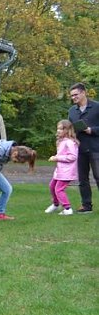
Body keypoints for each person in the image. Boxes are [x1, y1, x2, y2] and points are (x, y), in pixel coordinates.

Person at [67, 82, 99, 213]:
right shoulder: (72, 111)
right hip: (79, 149)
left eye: (76, 95)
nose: (73, 97)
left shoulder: (97, 107)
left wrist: (92, 130)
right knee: (82, 179)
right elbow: (70, 128)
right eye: (72, 96)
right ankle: (86, 206)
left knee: (98, 176)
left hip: (96, 148)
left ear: (84, 93)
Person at [45, 120, 79, 216]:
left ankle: (67, 208)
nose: (58, 130)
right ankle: (56, 204)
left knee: (59, 189)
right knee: (52, 186)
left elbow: (72, 157)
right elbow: (62, 154)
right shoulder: (62, 141)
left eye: (61, 129)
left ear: (68, 130)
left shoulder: (70, 142)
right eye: (58, 128)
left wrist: (57, 158)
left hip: (67, 171)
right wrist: (56, 157)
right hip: (60, 171)